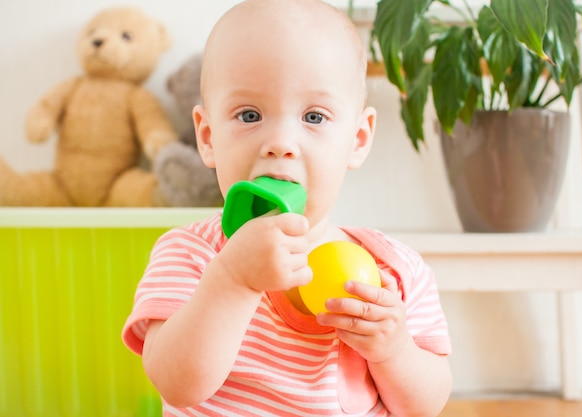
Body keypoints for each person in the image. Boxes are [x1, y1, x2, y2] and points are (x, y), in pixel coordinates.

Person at [122, 0, 452, 415]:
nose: (280, 142)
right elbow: (176, 383)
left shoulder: (393, 273)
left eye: (313, 116)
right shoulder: (191, 254)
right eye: (249, 114)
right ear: (207, 136)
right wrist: (233, 280)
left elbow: (426, 405)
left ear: (358, 138)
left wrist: (395, 350)